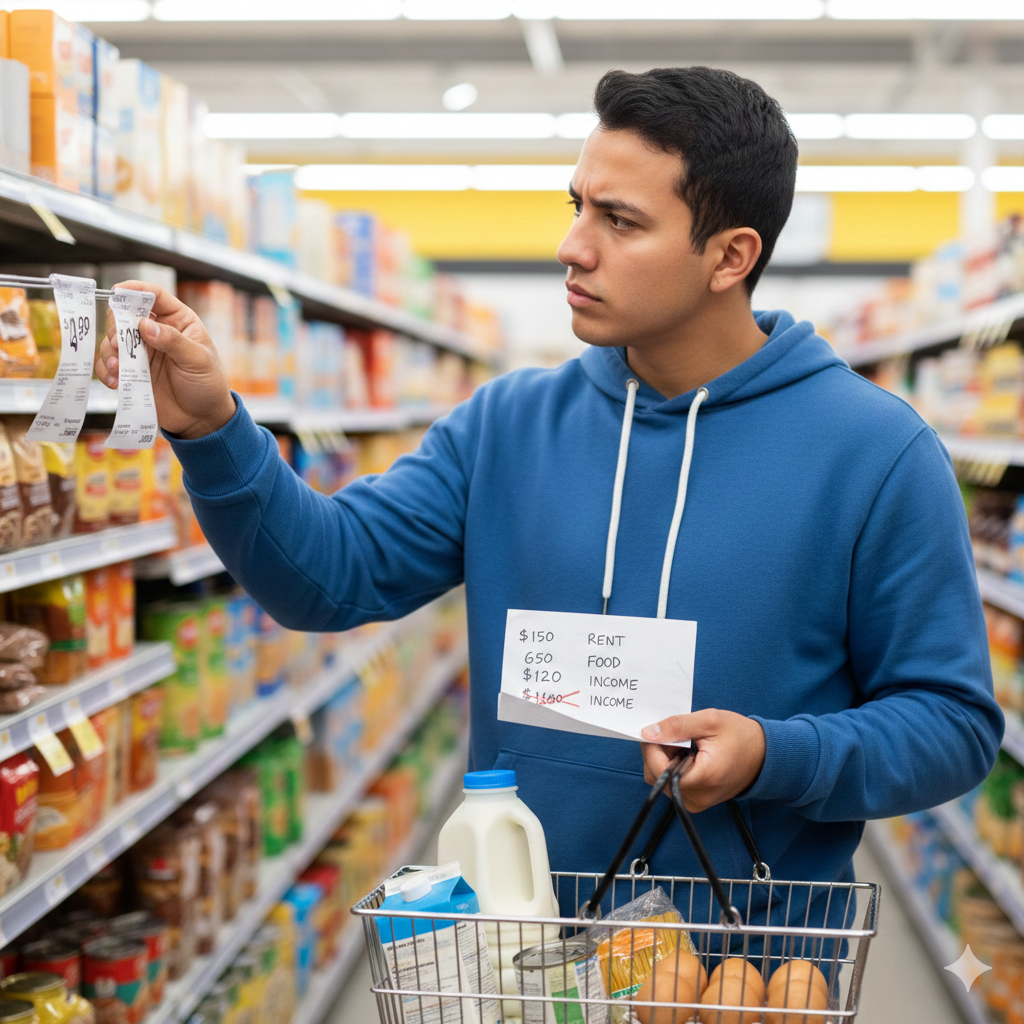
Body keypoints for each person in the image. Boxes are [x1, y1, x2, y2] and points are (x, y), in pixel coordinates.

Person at [96, 67, 1001, 931]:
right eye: (577, 207)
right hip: (517, 954)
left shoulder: (877, 453)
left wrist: (775, 754)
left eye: (620, 220)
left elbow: (952, 725)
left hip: (743, 969)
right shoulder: (507, 425)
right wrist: (213, 430)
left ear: (731, 256)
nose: (573, 245)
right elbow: (327, 578)